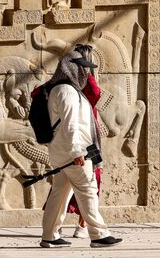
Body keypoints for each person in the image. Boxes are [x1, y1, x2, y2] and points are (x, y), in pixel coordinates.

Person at [40, 50, 122, 248]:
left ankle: (50, 236)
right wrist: (78, 152)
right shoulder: (66, 91)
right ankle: (99, 234)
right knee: (88, 189)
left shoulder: (67, 90)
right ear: (71, 68)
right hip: (73, 152)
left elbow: (83, 127)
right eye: (82, 68)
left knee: (60, 194)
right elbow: (70, 126)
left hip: (68, 151)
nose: (86, 72)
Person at [64, 44, 103, 239]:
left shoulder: (65, 80)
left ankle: (66, 226)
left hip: (79, 136)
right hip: (88, 138)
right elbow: (95, 94)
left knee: (65, 182)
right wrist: (87, 75)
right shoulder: (85, 81)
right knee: (91, 180)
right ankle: (85, 226)